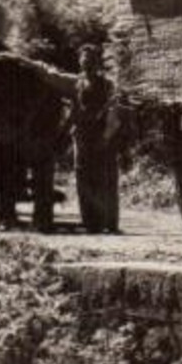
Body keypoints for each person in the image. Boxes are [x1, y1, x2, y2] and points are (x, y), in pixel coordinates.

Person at [71, 44, 120, 234]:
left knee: (105, 178)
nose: (86, 65)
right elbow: (75, 109)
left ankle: (109, 221)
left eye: (90, 62)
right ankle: (90, 221)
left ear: (97, 63)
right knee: (83, 178)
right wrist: (74, 132)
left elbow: (113, 111)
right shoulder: (78, 83)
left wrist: (106, 136)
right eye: (84, 62)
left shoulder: (107, 85)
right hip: (83, 136)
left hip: (102, 135)